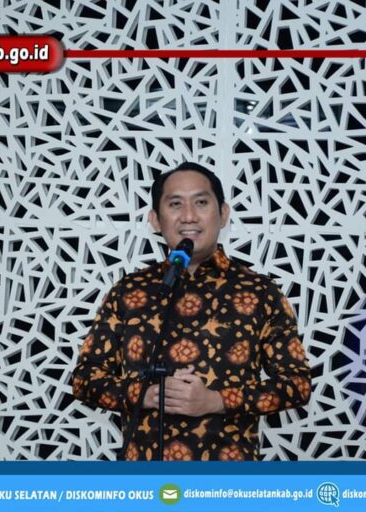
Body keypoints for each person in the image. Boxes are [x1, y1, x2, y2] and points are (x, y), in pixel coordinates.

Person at [71, 162, 311, 461]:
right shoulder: (129, 291)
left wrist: (216, 401)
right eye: (175, 204)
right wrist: (145, 395)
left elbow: (297, 384)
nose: (188, 216)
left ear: (223, 214)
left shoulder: (260, 292)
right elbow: (85, 380)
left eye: (201, 202)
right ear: (155, 219)